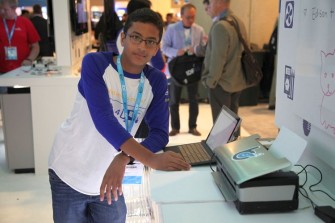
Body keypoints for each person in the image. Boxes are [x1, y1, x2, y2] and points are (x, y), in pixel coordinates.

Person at [48, 8, 191, 223]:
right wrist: (150, 158)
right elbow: (104, 120)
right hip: (70, 172)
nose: (142, 46)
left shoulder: (156, 81)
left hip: (110, 176)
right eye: (136, 37)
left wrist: (125, 157)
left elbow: (161, 133)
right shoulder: (95, 64)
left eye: (150, 41)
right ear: (123, 38)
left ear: (157, 48)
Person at [201, 0, 248, 136]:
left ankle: (223, 153)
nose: (208, 7)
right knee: (233, 122)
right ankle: (234, 152)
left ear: (218, 2)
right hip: (237, 81)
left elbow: (217, 59)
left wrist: (210, 82)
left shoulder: (220, 26)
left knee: (222, 126)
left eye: (209, 3)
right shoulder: (239, 21)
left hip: (221, 83)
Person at [162, 3, 206, 136]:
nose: (191, 20)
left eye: (193, 17)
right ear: (181, 16)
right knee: (174, 100)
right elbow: (164, 47)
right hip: (176, 69)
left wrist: (197, 50)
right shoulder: (172, 28)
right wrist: (177, 52)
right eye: (188, 17)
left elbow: (204, 49)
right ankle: (175, 127)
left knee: (194, 99)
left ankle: (192, 127)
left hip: (193, 69)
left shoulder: (199, 30)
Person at [0, 0, 40, 74]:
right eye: (0, 9)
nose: (1, 12)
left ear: (14, 8)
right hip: (1, 70)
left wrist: (29, 59)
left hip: (22, 69)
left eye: (5, 9)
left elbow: (35, 46)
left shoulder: (25, 22)